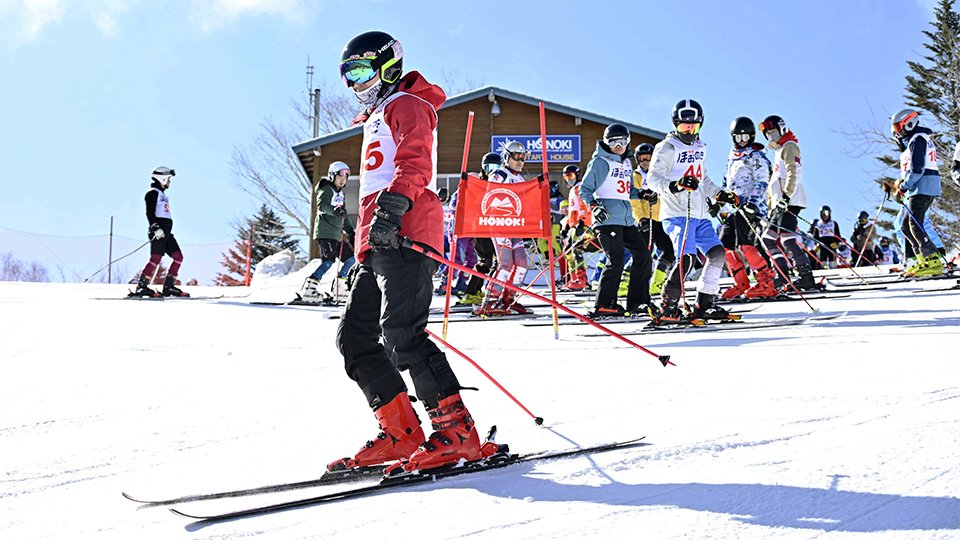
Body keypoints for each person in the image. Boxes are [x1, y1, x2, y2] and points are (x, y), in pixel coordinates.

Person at [328, 31, 494, 476]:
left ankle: (458, 434)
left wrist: (394, 208)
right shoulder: (377, 113)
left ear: (387, 65)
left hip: (404, 231)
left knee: (402, 332)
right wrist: (365, 238)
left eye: (361, 71)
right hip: (377, 239)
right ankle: (402, 434)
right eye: (348, 75)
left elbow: (416, 160)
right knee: (356, 339)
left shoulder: (408, 104)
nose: (355, 83)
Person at [645, 99, 740, 321]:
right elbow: (652, 179)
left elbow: (703, 179)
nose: (688, 130)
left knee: (717, 253)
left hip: (699, 214)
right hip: (677, 215)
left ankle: (704, 303)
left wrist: (719, 194)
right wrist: (675, 185)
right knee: (686, 259)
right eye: (683, 126)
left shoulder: (700, 147)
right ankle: (667, 308)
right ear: (675, 124)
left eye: (693, 126)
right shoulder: (667, 148)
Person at [578, 123, 654, 317]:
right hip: (607, 219)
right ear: (606, 142)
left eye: (623, 141)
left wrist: (642, 194)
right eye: (613, 142)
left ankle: (638, 301)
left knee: (643, 255)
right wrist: (594, 207)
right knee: (616, 260)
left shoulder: (627, 162)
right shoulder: (600, 162)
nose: (618, 145)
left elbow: (627, 190)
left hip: (627, 220)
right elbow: (584, 189)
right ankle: (604, 303)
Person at [718, 116, 777, 299]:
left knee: (745, 245)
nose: (742, 141)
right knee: (724, 245)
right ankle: (741, 283)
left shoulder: (756, 156)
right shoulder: (732, 156)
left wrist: (752, 203)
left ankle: (765, 282)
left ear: (752, 136)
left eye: (746, 137)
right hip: (734, 208)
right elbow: (727, 182)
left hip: (750, 207)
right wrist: (720, 203)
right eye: (738, 137)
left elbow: (762, 181)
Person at [758, 115, 819, 290]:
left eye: (773, 131)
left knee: (785, 238)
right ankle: (782, 274)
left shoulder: (789, 146)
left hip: (790, 200)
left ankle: (805, 276)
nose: (771, 136)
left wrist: (786, 196)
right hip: (779, 203)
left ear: (782, 129)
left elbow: (795, 172)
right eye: (768, 134)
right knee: (768, 238)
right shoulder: (778, 151)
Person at [475, 141, 533, 316]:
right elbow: (491, 195)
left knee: (522, 263)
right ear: (507, 157)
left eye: (523, 157)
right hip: (500, 224)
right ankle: (490, 300)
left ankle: (508, 299)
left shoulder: (520, 178)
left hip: (515, 225)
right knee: (506, 263)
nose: (520, 161)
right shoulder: (499, 174)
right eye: (516, 157)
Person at [884, 108, 944, 277]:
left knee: (915, 225)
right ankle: (922, 259)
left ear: (908, 123)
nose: (896, 133)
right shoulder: (914, 140)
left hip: (923, 187)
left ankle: (932, 260)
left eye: (897, 128)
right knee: (905, 226)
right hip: (919, 188)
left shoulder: (918, 139)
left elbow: (917, 169)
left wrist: (903, 187)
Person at [299, 161, 356, 302]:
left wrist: (351, 232)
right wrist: (334, 210)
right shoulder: (326, 189)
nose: (343, 179)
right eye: (340, 176)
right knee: (328, 262)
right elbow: (322, 206)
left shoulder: (340, 194)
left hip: (336, 235)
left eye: (346, 177)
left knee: (351, 260)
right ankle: (309, 290)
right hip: (325, 232)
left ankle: (340, 288)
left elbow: (344, 215)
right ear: (332, 175)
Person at [130, 166, 188, 297]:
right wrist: (155, 227)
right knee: (156, 258)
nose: (169, 182)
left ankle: (169, 286)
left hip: (167, 233)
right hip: (158, 231)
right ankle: (142, 286)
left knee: (178, 257)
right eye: (168, 179)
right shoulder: (152, 193)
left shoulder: (162, 194)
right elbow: (149, 212)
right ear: (162, 178)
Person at [631, 142, 676, 296]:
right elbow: (634, 201)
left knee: (669, 252)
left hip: (662, 219)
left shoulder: (660, 175)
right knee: (643, 255)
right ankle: (625, 286)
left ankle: (657, 284)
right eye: (641, 158)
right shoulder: (636, 176)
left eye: (648, 158)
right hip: (646, 220)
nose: (645, 161)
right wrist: (640, 218)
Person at [459, 152, 501, 305]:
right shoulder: (478, 182)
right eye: (489, 167)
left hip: (497, 227)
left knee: (499, 262)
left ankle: (488, 291)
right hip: (481, 228)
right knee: (485, 261)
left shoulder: (499, 183)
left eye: (496, 167)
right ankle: (471, 292)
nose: (492, 171)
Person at [560, 164, 593, 290]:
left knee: (576, 249)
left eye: (571, 175)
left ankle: (582, 279)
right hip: (575, 226)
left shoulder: (582, 188)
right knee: (567, 252)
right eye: (566, 176)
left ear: (578, 175)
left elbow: (585, 207)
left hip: (585, 226)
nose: (569, 178)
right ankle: (574, 279)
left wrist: (582, 222)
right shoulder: (572, 190)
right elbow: (572, 211)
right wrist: (566, 227)